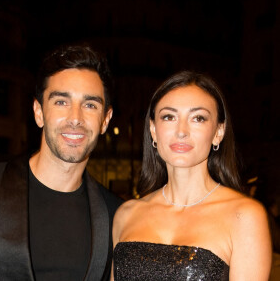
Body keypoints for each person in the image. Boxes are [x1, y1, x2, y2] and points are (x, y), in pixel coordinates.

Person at [0, 44, 123, 281]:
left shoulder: (115, 216)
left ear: (105, 120)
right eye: (61, 102)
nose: (75, 118)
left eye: (90, 105)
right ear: (38, 112)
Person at [112, 71, 272, 280]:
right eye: (169, 117)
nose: (181, 131)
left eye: (198, 118)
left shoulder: (245, 216)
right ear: (153, 129)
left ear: (218, 132)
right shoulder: (126, 215)